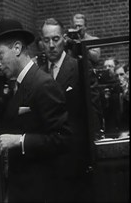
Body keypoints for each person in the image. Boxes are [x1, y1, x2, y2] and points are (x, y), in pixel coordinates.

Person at [0, 19, 73, 202]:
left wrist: (20, 140)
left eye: (0, 55)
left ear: (17, 48)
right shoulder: (15, 87)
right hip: (20, 189)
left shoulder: (43, 84)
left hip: (41, 191)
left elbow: (63, 139)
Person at [37, 17, 102, 201]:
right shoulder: (39, 73)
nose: (51, 45)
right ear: (41, 42)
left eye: (56, 39)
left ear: (64, 39)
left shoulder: (79, 67)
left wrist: (92, 156)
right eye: (46, 40)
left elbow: (93, 112)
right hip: (49, 165)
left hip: (76, 164)